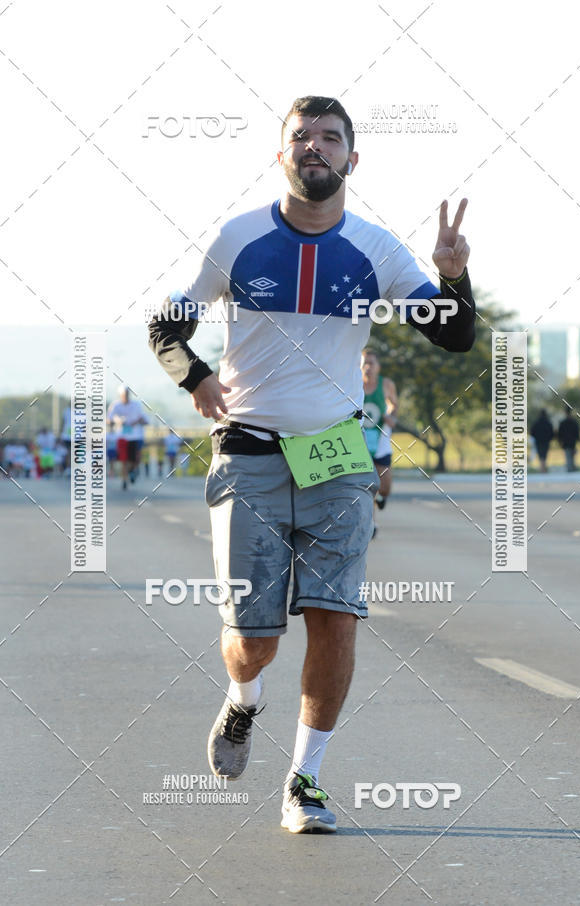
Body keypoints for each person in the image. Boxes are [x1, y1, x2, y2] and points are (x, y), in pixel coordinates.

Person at [148, 95, 476, 834]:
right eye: (302, 136)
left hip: (336, 459)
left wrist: (453, 277)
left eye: (331, 137)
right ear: (282, 155)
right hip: (249, 455)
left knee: (335, 620)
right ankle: (244, 701)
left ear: (352, 160)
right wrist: (196, 376)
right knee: (253, 640)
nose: (315, 146)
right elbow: (165, 323)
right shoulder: (237, 239)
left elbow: (452, 338)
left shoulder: (376, 249)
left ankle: (306, 781)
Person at [361, 348, 398, 536]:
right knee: (368, 485)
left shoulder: (386, 384)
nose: (368, 367)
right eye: (364, 363)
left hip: (381, 439)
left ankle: (382, 498)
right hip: (360, 440)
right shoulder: (354, 383)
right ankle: (371, 524)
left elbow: (394, 405)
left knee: (385, 487)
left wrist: (391, 416)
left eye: (371, 363)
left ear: (378, 366)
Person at [107, 385, 149, 490]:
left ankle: (132, 470)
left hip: (136, 436)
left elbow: (143, 419)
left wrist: (138, 421)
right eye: (123, 394)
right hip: (122, 436)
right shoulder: (116, 405)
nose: (125, 396)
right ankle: (124, 480)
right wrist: (117, 420)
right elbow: (108, 419)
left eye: (127, 394)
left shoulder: (136, 405)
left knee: (136, 459)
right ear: (120, 395)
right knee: (124, 460)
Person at [557, 406, 580, 472]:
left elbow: (559, 434)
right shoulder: (574, 422)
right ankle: (572, 469)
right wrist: (578, 439)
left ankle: (570, 469)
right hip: (573, 442)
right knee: (572, 457)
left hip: (566, 443)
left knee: (568, 457)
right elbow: (577, 432)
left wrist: (559, 441)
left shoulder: (562, 423)